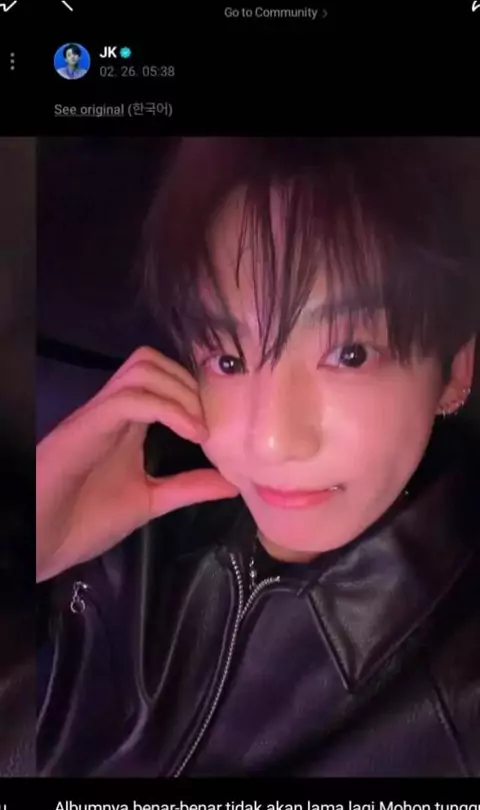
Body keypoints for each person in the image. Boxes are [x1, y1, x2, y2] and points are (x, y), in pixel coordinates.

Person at [36, 137, 480, 777]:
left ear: (455, 370)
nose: (269, 440)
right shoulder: (113, 503)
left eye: (350, 353)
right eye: (227, 358)